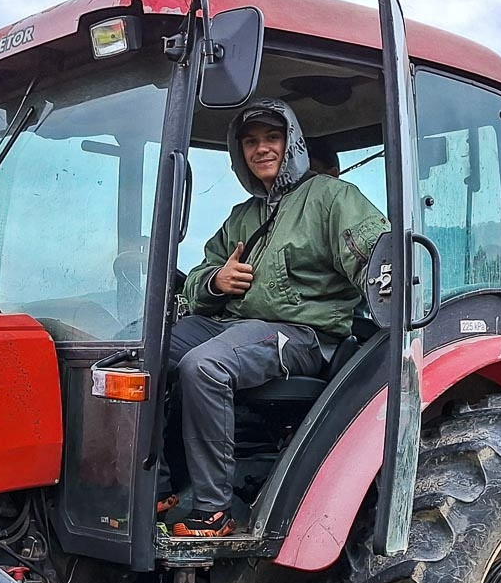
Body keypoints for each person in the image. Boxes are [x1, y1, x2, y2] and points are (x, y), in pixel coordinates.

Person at [160, 99, 388, 537]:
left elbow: (377, 260)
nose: (261, 148)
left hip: (302, 333)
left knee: (204, 366)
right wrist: (216, 282)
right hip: (231, 325)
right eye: (250, 141)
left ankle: (212, 511)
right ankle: (158, 487)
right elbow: (202, 275)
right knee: (143, 352)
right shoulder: (243, 216)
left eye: (272, 137)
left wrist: (393, 303)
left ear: (293, 143)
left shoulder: (332, 198)